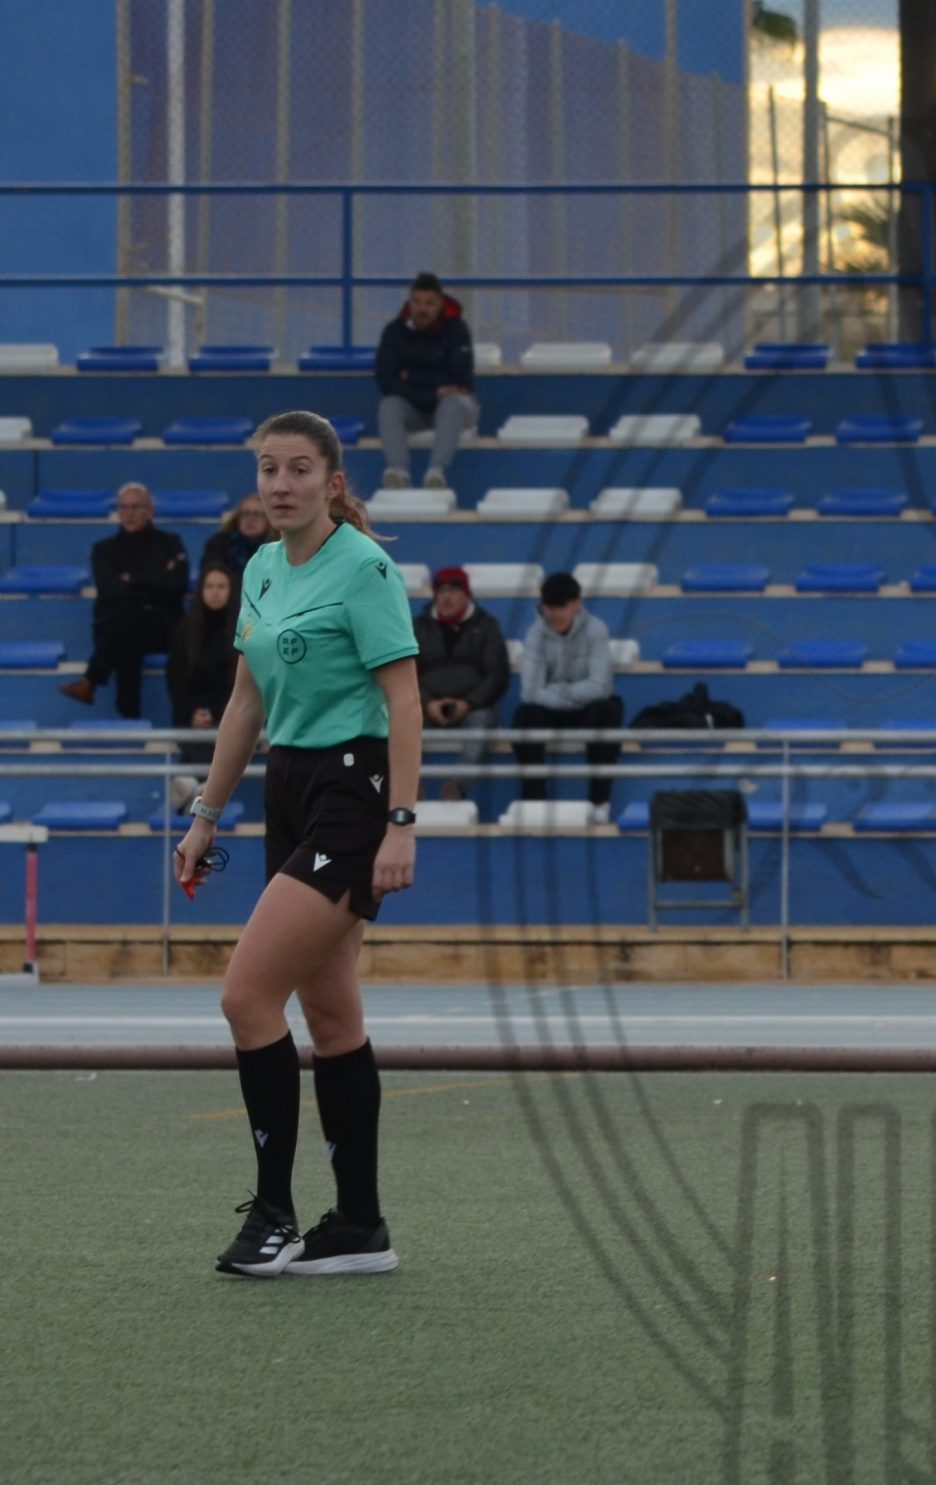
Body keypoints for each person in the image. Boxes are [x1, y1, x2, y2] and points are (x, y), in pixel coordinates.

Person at [173, 410, 420, 1277]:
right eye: (269, 469)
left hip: (354, 791)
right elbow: (245, 704)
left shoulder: (365, 568)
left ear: (333, 483)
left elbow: (404, 701)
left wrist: (402, 822)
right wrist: (206, 814)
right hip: (289, 786)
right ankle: (359, 1226)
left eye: (299, 469)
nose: (280, 484)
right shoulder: (261, 567)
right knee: (332, 1013)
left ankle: (273, 1216)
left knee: (246, 996)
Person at [57, 482, 190, 717]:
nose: (129, 513)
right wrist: (154, 579)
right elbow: (111, 590)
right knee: (127, 623)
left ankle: (93, 683)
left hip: (163, 628)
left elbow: (176, 586)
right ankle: (128, 713)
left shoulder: (171, 543)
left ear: (150, 510)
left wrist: (131, 579)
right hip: (121, 625)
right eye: (124, 507)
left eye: (136, 507)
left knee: (125, 618)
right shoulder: (104, 549)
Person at [512, 570, 622, 815]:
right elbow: (529, 692)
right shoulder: (534, 634)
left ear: (576, 604)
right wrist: (568, 696)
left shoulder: (596, 630)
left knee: (608, 712)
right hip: (554, 710)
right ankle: (533, 801)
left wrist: (555, 691)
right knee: (524, 717)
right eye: (549, 607)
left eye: (561, 607)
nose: (555, 615)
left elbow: (601, 687)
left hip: (584, 708)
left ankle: (599, 801)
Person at [415, 565, 511, 805]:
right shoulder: (418, 628)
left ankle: (457, 786)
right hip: (427, 705)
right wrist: (428, 703)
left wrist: (468, 703)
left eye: (454, 591)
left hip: (473, 706)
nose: (446, 597)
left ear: (467, 594)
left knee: (481, 721)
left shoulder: (487, 626)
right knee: (403, 719)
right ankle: (411, 785)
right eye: (441, 591)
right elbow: (407, 674)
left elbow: (497, 674)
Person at [375, 271, 477, 491]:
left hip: (453, 408)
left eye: (429, 303)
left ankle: (436, 473)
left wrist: (410, 377)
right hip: (415, 407)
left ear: (440, 304)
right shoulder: (394, 332)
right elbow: (385, 380)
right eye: (417, 302)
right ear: (410, 302)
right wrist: (433, 391)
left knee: (453, 402)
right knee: (389, 405)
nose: (422, 309)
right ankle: (398, 473)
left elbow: (461, 380)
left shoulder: (457, 330)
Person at [165, 565, 240, 803]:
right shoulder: (185, 631)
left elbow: (240, 683)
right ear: (201, 591)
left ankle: (194, 786)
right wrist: (193, 712)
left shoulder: (242, 631)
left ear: (232, 591)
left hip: (230, 711)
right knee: (197, 733)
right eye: (209, 586)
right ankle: (201, 790)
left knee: (222, 731)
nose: (215, 592)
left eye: (221, 586)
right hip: (190, 714)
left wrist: (215, 712)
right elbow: (175, 679)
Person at [199, 494, 274, 579]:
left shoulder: (277, 547)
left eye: (257, 514)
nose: (250, 519)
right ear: (237, 518)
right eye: (246, 513)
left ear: (268, 519)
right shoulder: (219, 544)